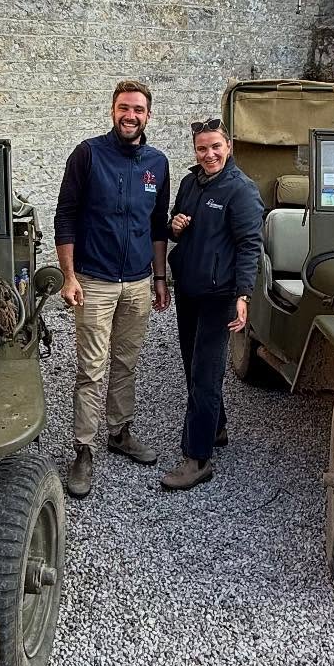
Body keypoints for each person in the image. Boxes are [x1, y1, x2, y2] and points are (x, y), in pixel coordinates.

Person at [54, 80, 171, 499]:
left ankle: (119, 433)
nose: (130, 115)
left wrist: (160, 278)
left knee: (126, 363)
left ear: (148, 116)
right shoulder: (87, 155)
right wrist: (68, 276)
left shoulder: (157, 163)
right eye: (124, 107)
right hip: (95, 281)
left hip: (138, 283)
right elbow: (65, 215)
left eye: (138, 109)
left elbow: (159, 226)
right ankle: (83, 450)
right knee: (91, 369)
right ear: (112, 110)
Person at [161, 116, 263, 492]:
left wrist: (242, 295)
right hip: (190, 289)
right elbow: (173, 224)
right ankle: (216, 427)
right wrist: (176, 225)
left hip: (220, 296)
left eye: (215, 147)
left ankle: (197, 457)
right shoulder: (191, 182)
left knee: (205, 373)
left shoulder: (241, 190)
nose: (209, 154)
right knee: (192, 366)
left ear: (229, 147)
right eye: (202, 148)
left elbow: (251, 245)